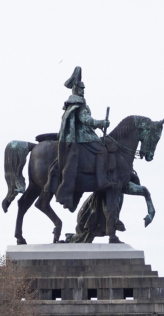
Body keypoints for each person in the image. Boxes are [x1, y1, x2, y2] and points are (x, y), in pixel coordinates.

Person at [53, 66, 110, 212]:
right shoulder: (78, 102)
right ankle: (102, 181)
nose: (83, 91)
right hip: (83, 137)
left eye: (84, 88)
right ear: (76, 89)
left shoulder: (74, 102)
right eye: (81, 88)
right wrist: (100, 123)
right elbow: (85, 119)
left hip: (84, 135)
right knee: (102, 151)